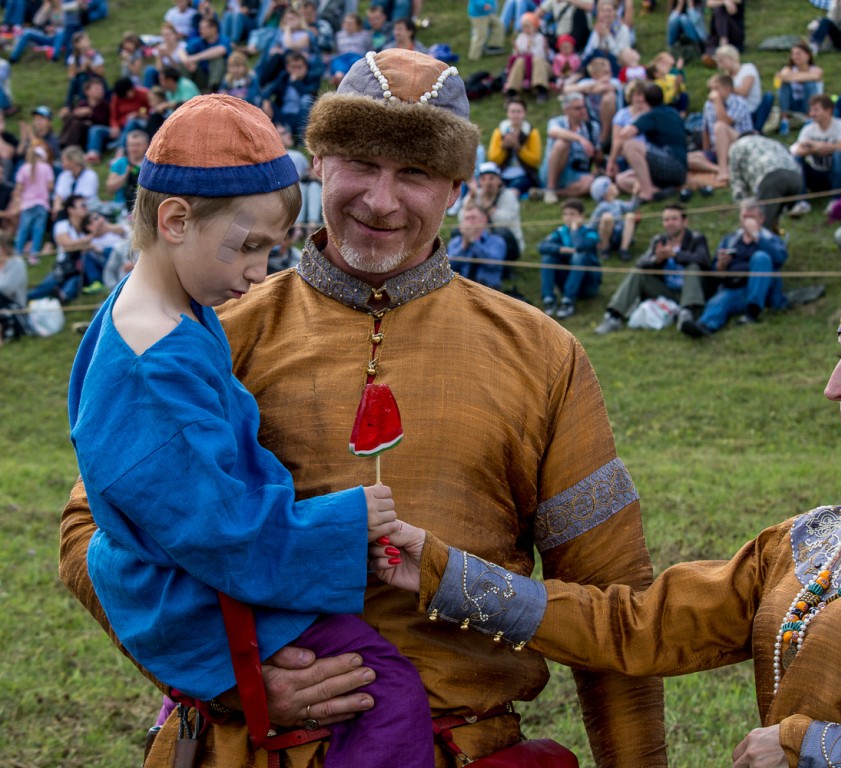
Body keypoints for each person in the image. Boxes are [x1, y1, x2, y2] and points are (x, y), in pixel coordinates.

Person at [59, 48, 667, 767]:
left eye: (414, 173)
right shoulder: (206, 329)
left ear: (456, 188)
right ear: (318, 162)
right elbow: (92, 531)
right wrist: (232, 676)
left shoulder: (542, 355)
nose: (381, 200)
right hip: (241, 746)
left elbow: (615, 601)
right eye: (360, 163)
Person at [382, 262, 841, 768]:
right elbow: (639, 628)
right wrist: (451, 577)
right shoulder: (816, 537)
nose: (835, 384)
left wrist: (811, 746)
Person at [65, 93, 434, 768]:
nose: (260, 271)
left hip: (207, 568)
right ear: (176, 219)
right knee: (390, 692)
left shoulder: (160, 306)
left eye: (271, 249)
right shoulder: (157, 371)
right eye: (249, 247)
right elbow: (219, 529)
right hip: (197, 591)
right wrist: (347, 525)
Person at [593, 203, 708, 334]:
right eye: (666, 220)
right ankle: (613, 316)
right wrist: (657, 260)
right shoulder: (659, 240)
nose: (669, 223)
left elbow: (703, 259)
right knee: (639, 272)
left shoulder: (696, 238)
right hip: (666, 290)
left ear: (684, 221)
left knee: (693, 266)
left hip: (689, 292)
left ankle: (687, 314)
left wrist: (675, 255)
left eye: (674, 219)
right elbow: (641, 262)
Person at [679, 200, 787, 336]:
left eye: (751, 217)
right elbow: (715, 272)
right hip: (738, 286)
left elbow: (780, 258)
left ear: (761, 219)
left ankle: (752, 312)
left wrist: (757, 237)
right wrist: (721, 265)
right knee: (720, 301)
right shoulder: (730, 240)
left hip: (764, 288)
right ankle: (703, 326)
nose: (747, 221)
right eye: (744, 217)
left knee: (760, 257)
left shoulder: (769, 238)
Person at [612, 82, 688, 202]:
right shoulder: (673, 112)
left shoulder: (652, 115)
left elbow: (625, 134)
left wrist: (611, 161)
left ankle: (647, 193)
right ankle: (658, 191)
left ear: (645, 100)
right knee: (621, 179)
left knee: (630, 145)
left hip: (673, 166)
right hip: (675, 168)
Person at [28, 194, 104, 302]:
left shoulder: (88, 226)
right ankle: (25, 299)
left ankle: (60, 297)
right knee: (45, 287)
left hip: (81, 269)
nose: (85, 207)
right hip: (64, 266)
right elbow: (66, 243)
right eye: (82, 205)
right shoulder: (63, 225)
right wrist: (89, 239)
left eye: (86, 205)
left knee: (74, 283)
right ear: (71, 210)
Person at [789, 94, 841, 215]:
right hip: (817, 175)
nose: (812, 113)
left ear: (828, 110)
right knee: (796, 159)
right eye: (811, 110)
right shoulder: (808, 129)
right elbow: (797, 150)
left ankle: (836, 199)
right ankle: (801, 201)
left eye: (816, 110)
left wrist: (814, 145)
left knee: (838, 155)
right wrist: (817, 148)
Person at [539, 197, 601, 318]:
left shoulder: (591, 232)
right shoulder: (560, 231)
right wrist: (559, 249)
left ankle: (568, 301)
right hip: (565, 280)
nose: (568, 217)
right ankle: (548, 299)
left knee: (579, 256)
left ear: (582, 216)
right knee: (548, 258)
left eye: (572, 214)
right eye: (565, 214)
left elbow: (579, 246)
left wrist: (574, 230)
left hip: (588, 284)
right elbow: (542, 246)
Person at [726, 131, 802, 232]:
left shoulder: (736, 146)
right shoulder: (773, 141)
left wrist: (744, 207)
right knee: (773, 219)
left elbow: (736, 182)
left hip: (772, 177)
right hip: (797, 178)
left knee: (761, 226)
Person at [538, 92, 602, 204]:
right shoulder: (557, 122)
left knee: (591, 183)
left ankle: (552, 193)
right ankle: (550, 187)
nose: (582, 111)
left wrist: (599, 167)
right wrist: (580, 139)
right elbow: (553, 132)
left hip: (577, 171)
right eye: (577, 108)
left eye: (583, 107)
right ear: (566, 110)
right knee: (562, 143)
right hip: (552, 169)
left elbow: (597, 153)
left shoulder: (593, 127)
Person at [688, 73, 752, 184]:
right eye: (711, 89)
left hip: (740, 146)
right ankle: (718, 169)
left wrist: (717, 101)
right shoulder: (708, 105)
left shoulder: (739, 103)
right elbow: (706, 130)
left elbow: (725, 122)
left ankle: (723, 170)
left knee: (720, 126)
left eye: (716, 89)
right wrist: (706, 152)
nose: (713, 93)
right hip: (717, 150)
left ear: (727, 88)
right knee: (685, 159)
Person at [457, 161, 524, 256]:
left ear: (499, 180)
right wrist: (471, 199)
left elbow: (505, 222)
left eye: (492, 178)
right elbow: (462, 219)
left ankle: (503, 269)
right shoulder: (474, 194)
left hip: (509, 242)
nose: (488, 182)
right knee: (457, 231)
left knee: (500, 232)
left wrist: (486, 205)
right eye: (484, 179)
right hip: (480, 239)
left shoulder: (509, 196)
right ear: (479, 181)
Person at [486, 96, 542, 194]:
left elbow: (535, 160)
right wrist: (503, 147)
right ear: (508, 113)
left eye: (518, 112)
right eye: (512, 112)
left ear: (524, 113)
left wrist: (519, 148)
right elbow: (493, 159)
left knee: (511, 191)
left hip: (524, 174)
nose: (515, 115)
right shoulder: (499, 132)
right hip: (502, 174)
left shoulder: (532, 133)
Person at [11, 140, 55, 264]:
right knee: (38, 230)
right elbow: (50, 186)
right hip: (41, 204)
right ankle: (33, 255)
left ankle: (17, 254)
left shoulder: (24, 168)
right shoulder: (47, 168)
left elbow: (19, 188)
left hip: (27, 204)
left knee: (23, 229)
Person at [448, 201, 507, 289]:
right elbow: (449, 266)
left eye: (473, 218)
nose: (469, 222)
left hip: (488, 289)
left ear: (484, 219)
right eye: (467, 219)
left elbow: (493, 264)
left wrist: (473, 242)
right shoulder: (456, 242)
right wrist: (464, 245)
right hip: (462, 288)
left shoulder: (496, 241)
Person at [504, 12, 551, 102]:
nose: (526, 29)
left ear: (535, 26)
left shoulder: (540, 38)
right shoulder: (521, 37)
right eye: (524, 26)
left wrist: (528, 49)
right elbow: (516, 55)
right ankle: (512, 90)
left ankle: (541, 89)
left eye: (528, 26)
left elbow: (540, 55)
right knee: (520, 61)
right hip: (526, 65)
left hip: (540, 66)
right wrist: (519, 49)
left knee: (537, 60)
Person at [589, 174, 638, 260]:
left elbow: (631, 208)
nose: (615, 185)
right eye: (612, 184)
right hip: (608, 236)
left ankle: (624, 249)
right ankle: (605, 248)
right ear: (605, 192)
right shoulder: (602, 207)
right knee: (607, 217)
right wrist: (593, 241)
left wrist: (635, 195)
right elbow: (592, 225)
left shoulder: (618, 203)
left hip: (619, 233)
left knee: (630, 216)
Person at [774, 41, 824, 128]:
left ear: (807, 55)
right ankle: (784, 120)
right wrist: (805, 76)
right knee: (783, 85)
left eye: (798, 54)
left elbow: (816, 76)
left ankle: (809, 118)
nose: (795, 57)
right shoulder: (788, 69)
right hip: (793, 103)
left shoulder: (816, 70)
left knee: (809, 84)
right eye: (793, 54)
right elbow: (779, 78)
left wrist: (791, 77)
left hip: (808, 104)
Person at [105, 128, 148, 216]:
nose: (134, 148)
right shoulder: (120, 163)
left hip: (144, 206)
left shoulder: (150, 164)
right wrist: (125, 176)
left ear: (146, 145)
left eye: (137, 145)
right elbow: (109, 189)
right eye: (131, 145)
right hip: (121, 206)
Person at [52, 145, 100, 213]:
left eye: (64, 160)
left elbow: (84, 198)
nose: (62, 164)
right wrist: (57, 208)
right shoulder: (64, 175)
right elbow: (59, 195)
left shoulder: (90, 176)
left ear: (73, 161)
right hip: (68, 209)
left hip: (86, 209)